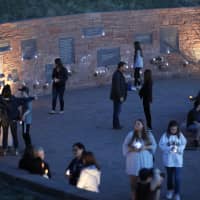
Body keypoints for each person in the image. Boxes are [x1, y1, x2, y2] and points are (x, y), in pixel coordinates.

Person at [122, 119, 157, 200]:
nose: (136, 125)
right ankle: (133, 197)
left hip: (145, 161)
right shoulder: (130, 134)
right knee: (133, 182)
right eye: (135, 124)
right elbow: (125, 146)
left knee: (145, 181)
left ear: (143, 125)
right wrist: (132, 149)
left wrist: (145, 147)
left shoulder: (149, 135)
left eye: (138, 124)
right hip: (133, 161)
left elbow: (154, 145)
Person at [0, 84, 34, 155]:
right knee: (14, 135)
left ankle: (4, 149)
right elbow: (24, 100)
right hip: (13, 120)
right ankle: (16, 149)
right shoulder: (14, 99)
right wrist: (32, 98)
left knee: (5, 135)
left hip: (5, 120)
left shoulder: (1, 100)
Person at [159, 120, 187, 200]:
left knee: (177, 178)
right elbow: (161, 145)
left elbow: (184, 143)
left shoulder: (180, 135)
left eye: (175, 129)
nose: (173, 131)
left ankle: (177, 193)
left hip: (178, 161)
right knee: (170, 177)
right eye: (172, 129)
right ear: (169, 128)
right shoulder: (165, 135)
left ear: (177, 129)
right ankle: (170, 191)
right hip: (168, 161)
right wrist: (169, 149)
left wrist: (178, 149)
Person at [110, 61, 127, 129]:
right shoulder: (117, 74)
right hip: (117, 97)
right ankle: (116, 125)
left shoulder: (119, 74)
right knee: (117, 111)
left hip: (118, 96)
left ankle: (116, 124)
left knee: (117, 111)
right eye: (124, 67)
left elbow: (122, 84)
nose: (125, 68)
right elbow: (117, 87)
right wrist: (120, 96)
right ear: (121, 67)